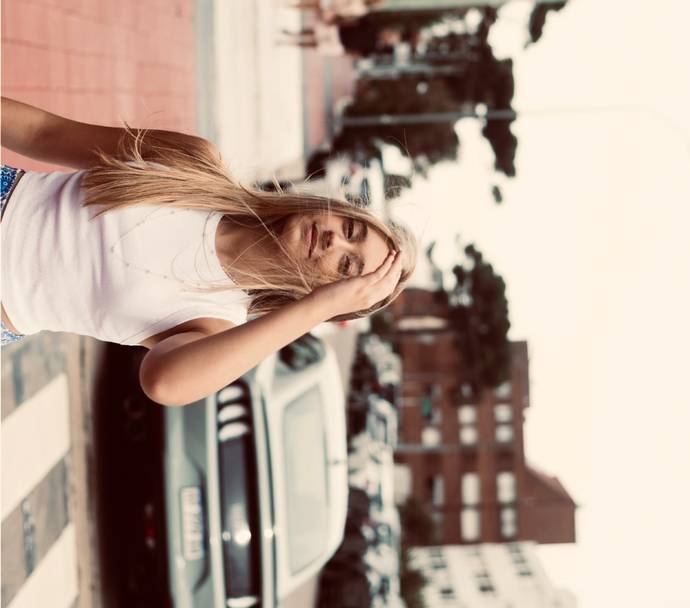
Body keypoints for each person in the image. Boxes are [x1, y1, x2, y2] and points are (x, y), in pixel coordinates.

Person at [0, 98, 415, 406]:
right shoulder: (198, 164)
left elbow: (162, 383)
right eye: (349, 229)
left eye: (346, 266)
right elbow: (45, 134)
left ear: (326, 293)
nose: (334, 241)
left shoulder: (215, 323)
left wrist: (315, 311)